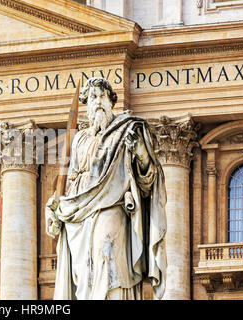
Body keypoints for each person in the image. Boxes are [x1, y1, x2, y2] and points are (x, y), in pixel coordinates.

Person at [45, 77, 167, 300]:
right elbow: (70, 181)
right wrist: (55, 206)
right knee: (84, 273)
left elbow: (148, 179)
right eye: (93, 97)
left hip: (112, 205)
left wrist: (139, 150)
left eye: (102, 96)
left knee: (107, 253)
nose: (98, 101)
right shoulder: (79, 139)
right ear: (87, 106)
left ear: (111, 102)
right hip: (79, 215)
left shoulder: (126, 131)